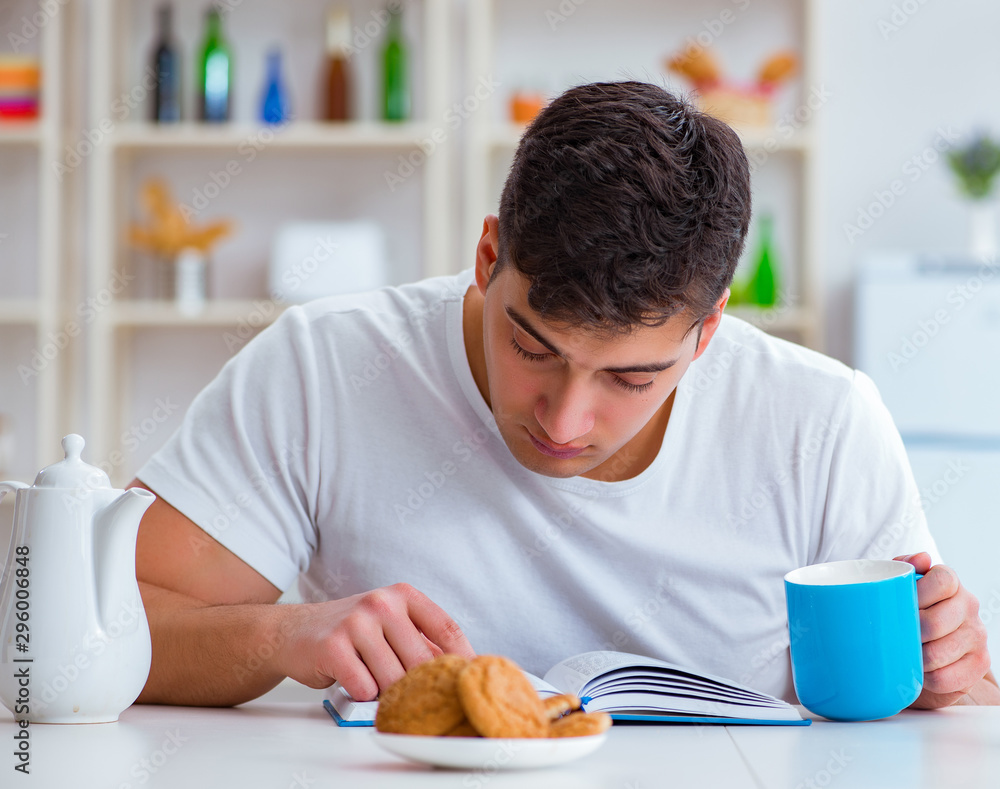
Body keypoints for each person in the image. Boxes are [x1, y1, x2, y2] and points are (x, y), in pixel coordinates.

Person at [131, 81, 997, 709]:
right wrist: (286, 635)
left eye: (631, 378)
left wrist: (953, 675)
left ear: (708, 332)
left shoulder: (822, 421)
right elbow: (95, 624)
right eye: (531, 345)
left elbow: (951, 718)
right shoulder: (326, 367)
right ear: (487, 259)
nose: (564, 419)